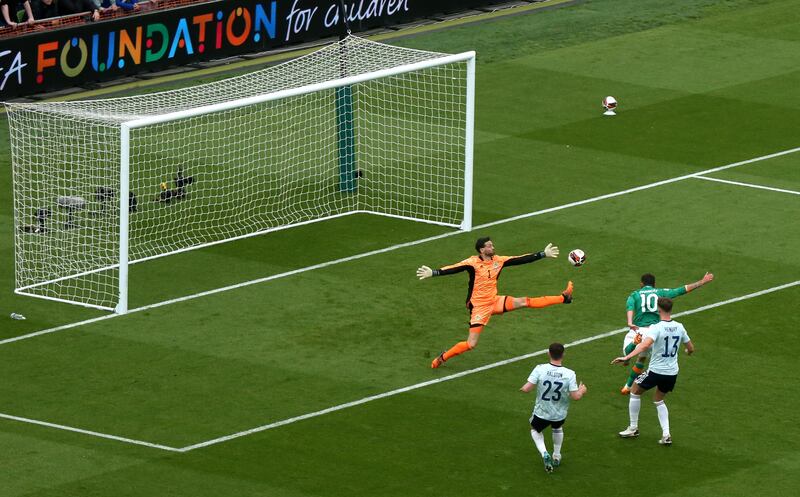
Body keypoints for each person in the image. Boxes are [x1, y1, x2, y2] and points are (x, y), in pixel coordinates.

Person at [417, 237, 573, 368]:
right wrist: (434, 272)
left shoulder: (498, 260)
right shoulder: (472, 262)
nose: (493, 247)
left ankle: (563, 298)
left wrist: (542, 254)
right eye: (489, 245)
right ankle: (442, 358)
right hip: (479, 307)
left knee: (525, 301)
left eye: (492, 244)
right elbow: (454, 268)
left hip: (495, 300)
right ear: (481, 250)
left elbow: (520, 259)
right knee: (471, 344)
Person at [612, 297, 693, 445]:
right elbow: (690, 348)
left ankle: (633, 427)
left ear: (658, 310)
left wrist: (627, 357)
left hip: (656, 371)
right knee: (658, 399)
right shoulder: (680, 327)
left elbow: (644, 346)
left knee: (635, 390)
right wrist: (687, 352)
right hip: (672, 373)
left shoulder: (656, 328)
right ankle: (666, 434)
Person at [619, 272, 713, 394]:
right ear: (654, 284)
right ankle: (627, 386)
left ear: (641, 284)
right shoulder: (660, 292)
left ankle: (631, 351)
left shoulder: (635, 294)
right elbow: (681, 290)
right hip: (654, 332)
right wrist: (702, 281)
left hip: (639, 330)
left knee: (627, 352)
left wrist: (630, 322)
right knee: (641, 358)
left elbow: (630, 306)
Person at [520, 343, 587, 472]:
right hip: (559, 413)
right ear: (563, 355)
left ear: (548, 353)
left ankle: (544, 453)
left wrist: (522, 388)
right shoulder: (570, 373)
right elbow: (576, 396)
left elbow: (527, 388)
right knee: (557, 428)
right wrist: (582, 390)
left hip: (542, 412)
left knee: (534, 429)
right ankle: (557, 455)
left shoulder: (540, 368)